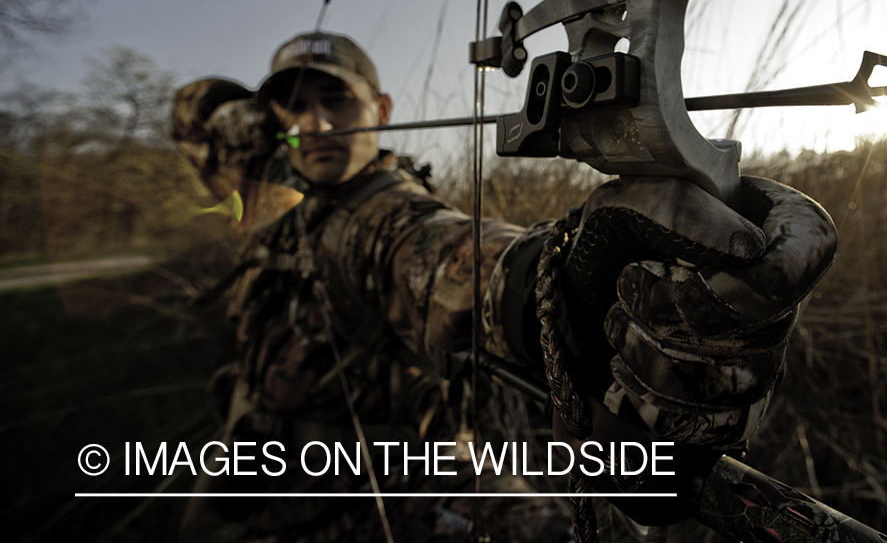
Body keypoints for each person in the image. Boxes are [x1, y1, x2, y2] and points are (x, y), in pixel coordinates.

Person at [172, 31, 837, 542]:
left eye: (335, 101)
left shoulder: (373, 213)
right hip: (247, 473)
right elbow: (196, 127)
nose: (315, 123)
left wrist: (573, 279)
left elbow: (440, 255)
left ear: (379, 109)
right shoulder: (282, 199)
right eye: (294, 106)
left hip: (365, 492)